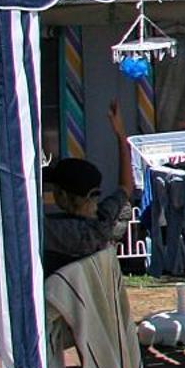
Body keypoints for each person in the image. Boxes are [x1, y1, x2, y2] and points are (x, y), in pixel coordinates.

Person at [44, 103, 135, 274]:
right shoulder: (103, 222)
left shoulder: (53, 230)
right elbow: (126, 187)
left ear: (62, 195)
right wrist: (121, 135)